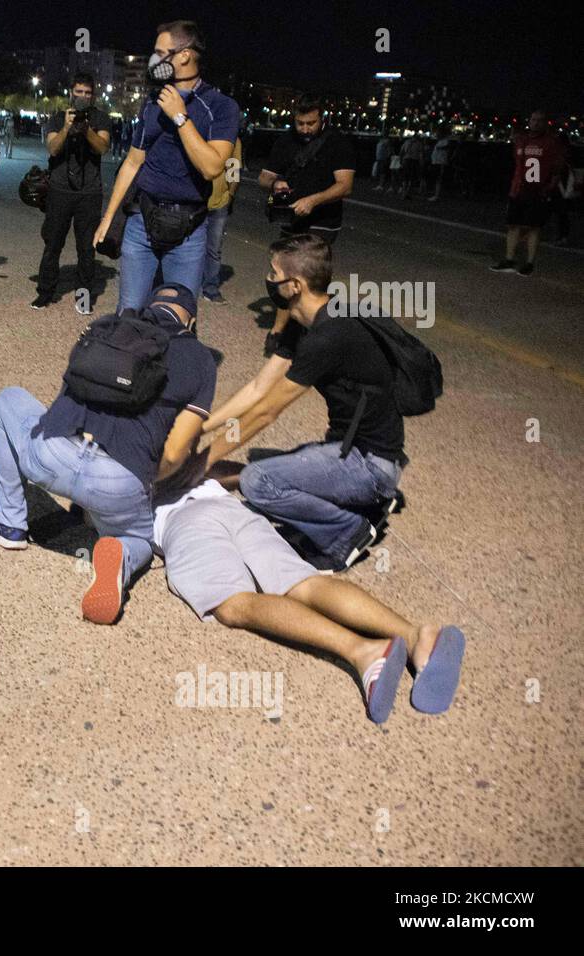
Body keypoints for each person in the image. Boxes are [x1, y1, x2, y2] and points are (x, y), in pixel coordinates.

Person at [0, 284, 216, 625]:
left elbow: (67, 394)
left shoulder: (105, 326)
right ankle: (120, 555)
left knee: (8, 399)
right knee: (138, 539)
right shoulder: (200, 359)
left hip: (54, 455)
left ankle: (9, 524)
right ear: (190, 323)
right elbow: (178, 450)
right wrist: (147, 481)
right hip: (117, 482)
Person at [151, 472, 465, 724]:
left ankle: (364, 651)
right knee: (305, 584)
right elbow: (230, 470)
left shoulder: (115, 466)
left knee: (233, 603)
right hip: (230, 508)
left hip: (183, 524)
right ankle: (416, 638)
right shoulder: (168, 438)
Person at [203, 234, 406, 572]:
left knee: (258, 481)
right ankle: (360, 506)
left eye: (273, 274)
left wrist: (204, 457)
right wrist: (202, 426)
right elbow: (258, 388)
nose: (268, 280)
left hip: (370, 463)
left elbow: (266, 412)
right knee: (266, 472)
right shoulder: (310, 321)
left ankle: (347, 532)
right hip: (350, 446)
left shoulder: (329, 335)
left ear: (294, 285)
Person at [94, 19, 239, 310]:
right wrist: (108, 217)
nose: (154, 59)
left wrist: (180, 117)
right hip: (141, 222)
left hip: (189, 231)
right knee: (130, 311)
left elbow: (212, 168)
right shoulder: (152, 101)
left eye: (161, 52)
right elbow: (132, 162)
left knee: (178, 318)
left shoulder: (222, 107)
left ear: (184, 54)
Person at [258, 94, 355, 340]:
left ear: (321, 119)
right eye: (300, 123)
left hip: (324, 221)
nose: (304, 129)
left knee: (309, 279)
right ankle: (284, 331)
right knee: (287, 274)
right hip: (291, 220)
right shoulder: (285, 140)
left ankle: (302, 333)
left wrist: (314, 200)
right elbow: (263, 177)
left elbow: (345, 185)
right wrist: (276, 182)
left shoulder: (337, 143)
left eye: (310, 123)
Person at [33, 72, 111, 314]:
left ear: (93, 96)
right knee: (53, 243)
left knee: (86, 247)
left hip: (89, 192)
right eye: (79, 92)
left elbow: (102, 148)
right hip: (60, 190)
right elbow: (53, 148)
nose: (83, 97)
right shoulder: (58, 117)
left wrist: (86, 129)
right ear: (71, 93)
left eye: (88, 93)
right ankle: (45, 293)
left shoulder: (101, 118)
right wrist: (67, 127)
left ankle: (84, 297)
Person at [491, 110, 567, 277]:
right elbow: (517, 165)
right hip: (518, 190)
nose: (536, 123)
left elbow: (557, 171)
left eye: (540, 120)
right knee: (512, 225)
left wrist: (547, 189)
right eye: (533, 120)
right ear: (529, 121)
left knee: (534, 227)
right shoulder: (520, 140)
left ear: (546, 123)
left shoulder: (551, 143)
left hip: (537, 191)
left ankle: (529, 263)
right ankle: (509, 260)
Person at [200, 136, 242, 303]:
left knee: (214, 248)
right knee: (188, 246)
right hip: (194, 200)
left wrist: (230, 195)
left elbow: (234, 168)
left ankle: (210, 287)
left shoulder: (232, 138)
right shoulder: (198, 127)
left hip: (219, 202)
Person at [428, 127, 455, 201]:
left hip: (440, 162)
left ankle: (437, 195)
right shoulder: (440, 141)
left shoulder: (445, 141)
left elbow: (448, 146)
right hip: (437, 162)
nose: (436, 134)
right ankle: (436, 194)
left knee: (438, 179)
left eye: (438, 133)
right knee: (437, 178)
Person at [397, 133, 425, 199]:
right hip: (414, 161)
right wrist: (421, 163)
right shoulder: (419, 144)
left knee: (405, 177)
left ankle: (404, 193)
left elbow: (401, 152)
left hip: (406, 160)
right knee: (411, 178)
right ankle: (407, 192)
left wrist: (401, 161)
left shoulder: (406, 142)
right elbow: (421, 155)